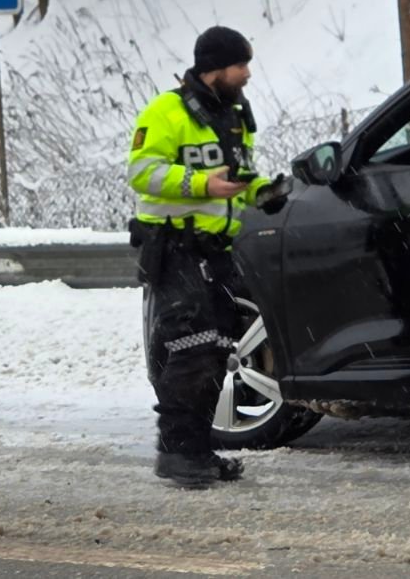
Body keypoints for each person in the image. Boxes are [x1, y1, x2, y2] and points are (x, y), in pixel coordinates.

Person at [125, 26, 291, 489]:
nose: (248, 73)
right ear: (215, 67)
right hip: (174, 247)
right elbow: (142, 173)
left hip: (217, 250)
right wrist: (202, 184)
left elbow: (237, 177)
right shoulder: (166, 111)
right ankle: (177, 453)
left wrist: (264, 192)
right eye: (241, 65)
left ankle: (196, 450)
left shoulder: (234, 114)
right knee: (191, 347)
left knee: (219, 349)